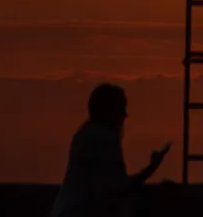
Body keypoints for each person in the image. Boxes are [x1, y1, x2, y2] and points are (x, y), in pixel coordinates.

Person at [50, 84, 170, 217]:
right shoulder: (105, 139)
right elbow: (118, 188)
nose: (125, 115)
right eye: (121, 109)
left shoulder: (84, 135)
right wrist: (151, 169)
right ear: (110, 111)